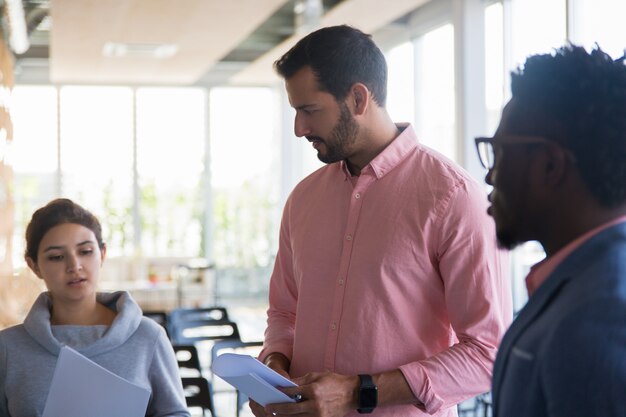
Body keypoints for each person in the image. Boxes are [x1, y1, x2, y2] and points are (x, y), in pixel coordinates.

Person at [251, 25, 512, 417]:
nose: (299, 129)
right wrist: (273, 369)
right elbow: (285, 313)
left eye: (309, 111)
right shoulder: (303, 200)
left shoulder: (454, 197)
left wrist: (360, 392)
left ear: (358, 98)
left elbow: (488, 354)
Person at [478, 45, 626, 417]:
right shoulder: (584, 281)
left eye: (498, 153)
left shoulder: (601, 316)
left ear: (549, 165)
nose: (489, 175)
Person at [0, 198, 190, 417]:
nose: (74, 266)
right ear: (34, 266)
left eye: (85, 251)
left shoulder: (148, 337)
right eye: (57, 257)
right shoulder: (7, 348)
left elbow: (175, 413)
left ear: (102, 254)